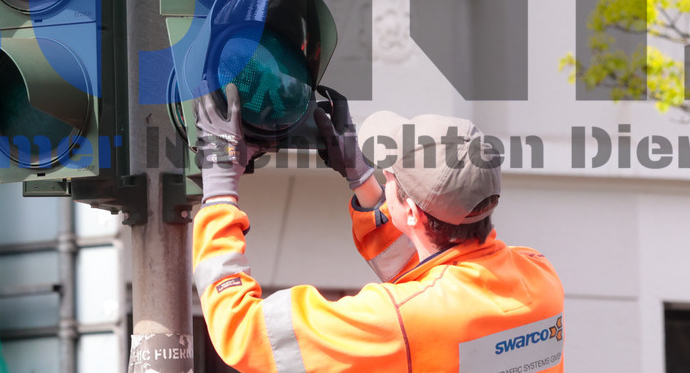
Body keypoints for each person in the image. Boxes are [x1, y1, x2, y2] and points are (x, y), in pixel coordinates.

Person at [192, 84, 565, 372]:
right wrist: (364, 180)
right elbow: (433, 285)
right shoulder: (539, 276)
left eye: (390, 175)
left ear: (414, 214)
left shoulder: (401, 321)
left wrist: (220, 192)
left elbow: (245, 332)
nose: (384, 173)